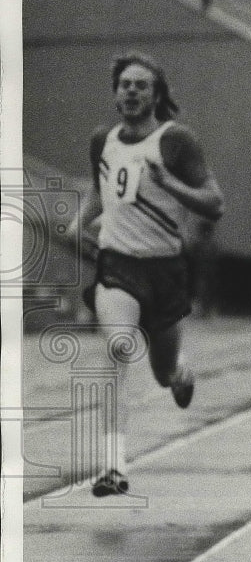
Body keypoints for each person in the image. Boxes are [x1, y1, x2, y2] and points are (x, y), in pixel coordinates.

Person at [74, 52, 224, 496]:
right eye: (125, 84)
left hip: (166, 270)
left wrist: (169, 183)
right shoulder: (103, 140)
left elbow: (215, 204)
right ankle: (114, 467)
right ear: (116, 93)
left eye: (141, 84)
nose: (132, 91)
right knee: (118, 348)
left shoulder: (176, 142)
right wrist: (79, 221)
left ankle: (180, 372)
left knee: (161, 373)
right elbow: (102, 192)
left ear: (157, 94)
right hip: (117, 263)